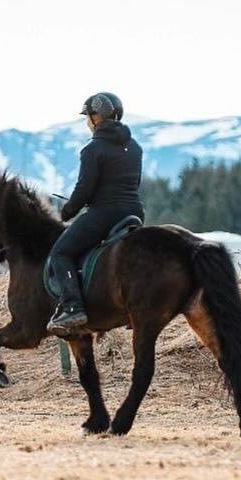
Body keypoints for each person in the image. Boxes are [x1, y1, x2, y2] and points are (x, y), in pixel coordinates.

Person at [46, 92, 145, 336]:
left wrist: (67, 211)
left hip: (105, 213)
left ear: (95, 116)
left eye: (88, 117)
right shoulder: (135, 147)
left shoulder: (92, 149)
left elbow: (84, 189)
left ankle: (73, 307)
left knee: (60, 253)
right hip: (134, 212)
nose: (87, 122)